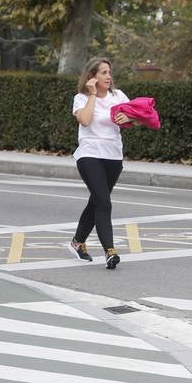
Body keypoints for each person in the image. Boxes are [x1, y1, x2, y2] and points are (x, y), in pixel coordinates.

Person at [68, 58, 136, 270]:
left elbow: (135, 119)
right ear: (92, 77)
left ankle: (77, 243)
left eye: (109, 72)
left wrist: (130, 119)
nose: (109, 76)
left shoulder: (119, 96)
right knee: (104, 203)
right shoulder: (81, 98)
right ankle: (110, 251)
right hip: (89, 155)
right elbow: (86, 120)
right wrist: (92, 95)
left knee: (97, 201)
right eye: (104, 72)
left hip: (113, 156)